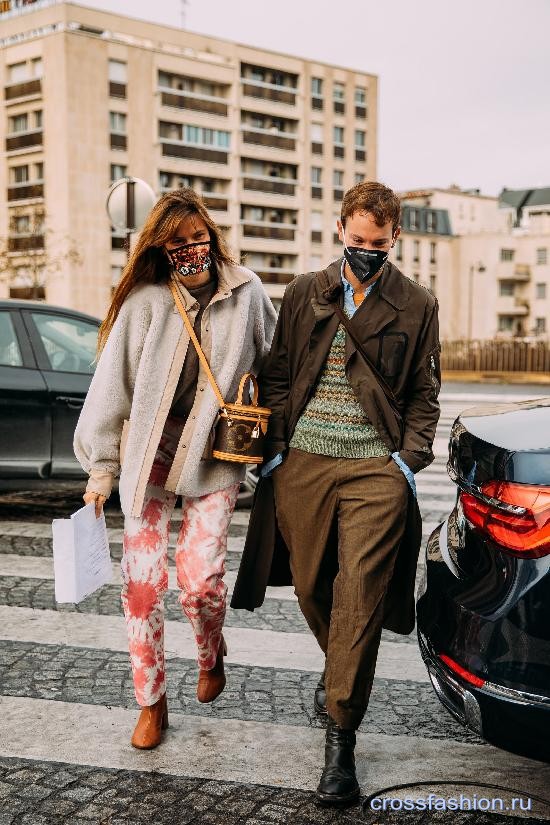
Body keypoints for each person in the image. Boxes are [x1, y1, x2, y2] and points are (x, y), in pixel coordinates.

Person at [232, 180, 441, 806]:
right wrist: (273, 453)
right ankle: (340, 676)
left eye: (379, 243)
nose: (367, 252)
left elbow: (426, 394)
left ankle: (340, 738)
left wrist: (407, 462)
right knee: (309, 585)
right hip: (303, 466)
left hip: (377, 473)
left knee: (360, 596)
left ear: (396, 237)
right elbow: (276, 371)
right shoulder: (305, 291)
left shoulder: (417, 303)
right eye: (357, 241)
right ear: (340, 232)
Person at [74, 189, 277, 750]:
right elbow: (109, 389)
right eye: (179, 241)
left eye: (199, 236)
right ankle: (152, 701)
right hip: (149, 460)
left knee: (200, 580)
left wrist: (277, 440)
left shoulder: (247, 292)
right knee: (141, 588)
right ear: (161, 248)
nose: (193, 248)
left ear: (211, 232)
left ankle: (211, 652)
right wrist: (100, 470)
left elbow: (276, 364)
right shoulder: (145, 303)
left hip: (215, 457)